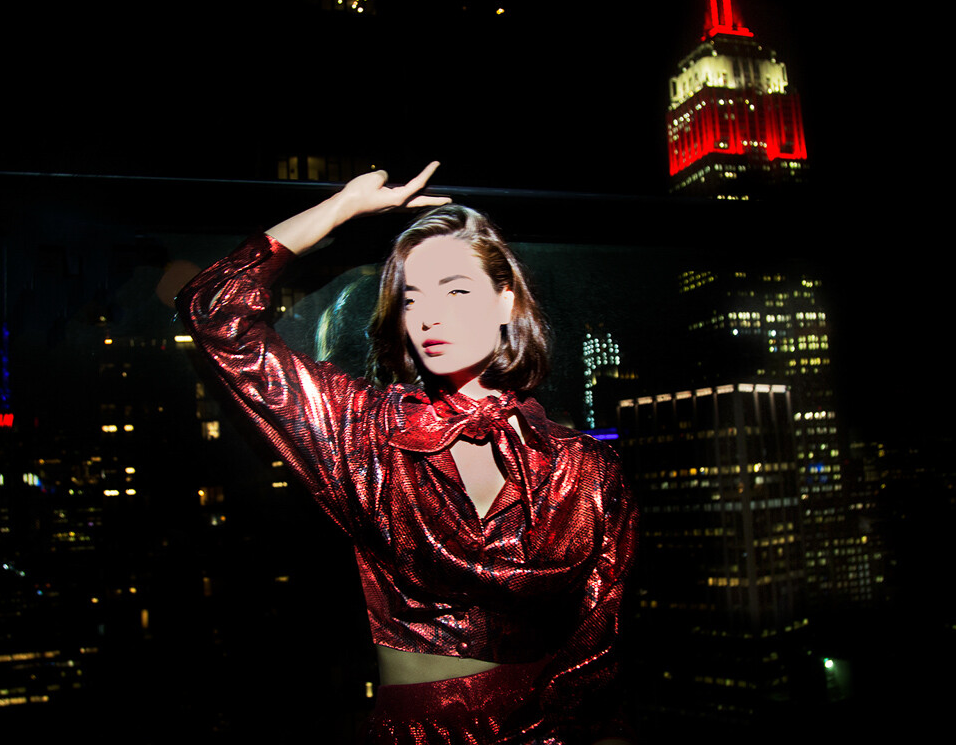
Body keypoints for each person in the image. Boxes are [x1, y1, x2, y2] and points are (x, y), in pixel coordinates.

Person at [176, 162, 638, 744]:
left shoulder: (585, 465)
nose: (429, 316)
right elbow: (215, 311)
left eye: (456, 290)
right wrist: (341, 209)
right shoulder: (366, 432)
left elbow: (600, 643)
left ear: (506, 302)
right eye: (411, 298)